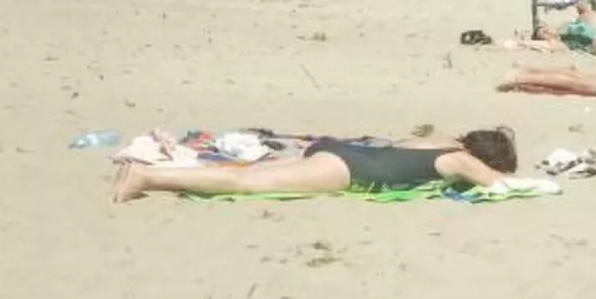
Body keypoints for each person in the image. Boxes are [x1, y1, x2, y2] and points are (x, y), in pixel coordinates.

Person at [112, 127, 517, 202]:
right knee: (246, 186)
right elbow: (499, 185)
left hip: (345, 152)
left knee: (249, 175)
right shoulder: (462, 160)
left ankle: (149, 174)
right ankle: (145, 176)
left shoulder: (442, 139)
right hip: (350, 172)